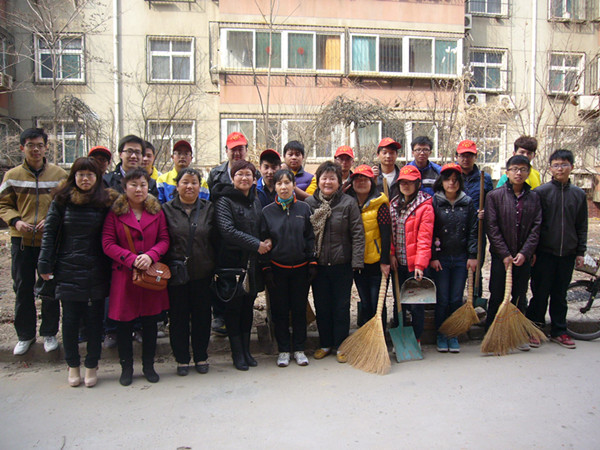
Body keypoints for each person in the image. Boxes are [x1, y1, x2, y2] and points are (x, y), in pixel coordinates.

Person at [38, 157, 112, 387]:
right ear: (74, 177)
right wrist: (44, 263)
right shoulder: (62, 199)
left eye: (90, 175)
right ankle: (73, 365)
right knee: (69, 321)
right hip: (67, 268)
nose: (85, 179)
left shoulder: (106, 200)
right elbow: (50, 232)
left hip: (97, 268)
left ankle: (92, 365)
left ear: (97, 178)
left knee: (94, 321)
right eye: (81, 174)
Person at [0, 128, 67, 356]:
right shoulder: (12, 175)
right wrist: (16, 221)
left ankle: (49, 333)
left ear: (46, 147)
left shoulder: (59, 175)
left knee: (49, 288)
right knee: (22, 288)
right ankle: (25, 335)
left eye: (39, 144)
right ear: (22, 147)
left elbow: (65, 205)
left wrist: (50, 221)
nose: (35, 149)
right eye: (30, 145)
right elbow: (3, 205)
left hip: (49, 242)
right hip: (21, 241)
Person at [102, 168, 170, 385]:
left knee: (150, 323)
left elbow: (164, 239)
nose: (138, 189)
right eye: (133, 185)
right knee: (124, 325)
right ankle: (126, 367)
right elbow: (107, 243)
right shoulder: (115, 213)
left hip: (149, 275)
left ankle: (148, 365)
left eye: (142, 184)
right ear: (124, 187)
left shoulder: (156, 211)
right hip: (125, 276)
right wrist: (130, 258)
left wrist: (151, 255)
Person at [212, 160, 271, 370]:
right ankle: (237, 354)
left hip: (252, 264)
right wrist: (256, 245)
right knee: (233, 309)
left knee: (248, 308)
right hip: (232, 265)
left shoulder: (255, 200)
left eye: (248, 174)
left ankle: (246, 351)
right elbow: (227, 230)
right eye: (240, 174)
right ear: (232, 178)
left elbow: (261, 225)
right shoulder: (224, 201)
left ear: (254, 178)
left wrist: (267, 240)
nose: (244, 178)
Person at [526, 150, 587, 349]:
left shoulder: (578, 195)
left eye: (564, 165)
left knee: (560, 294)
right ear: (550, 168)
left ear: (572, 167)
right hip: (544, 253)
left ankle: (559, 330)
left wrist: (580, 251)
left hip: (567, 253)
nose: (560, 169)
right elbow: (534, 225)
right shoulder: (541, 193)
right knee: (540, 293)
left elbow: (581, 225)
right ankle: (535, 328)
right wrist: (532, 251)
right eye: (556, 165)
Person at [306, 161, 364, 363]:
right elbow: (305, 235)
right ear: (318, 181)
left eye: (332, 178)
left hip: (342, 265)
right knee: (322, 306)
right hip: (319, 266)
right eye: (324, 178)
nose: (328, 182)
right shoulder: (310, 204)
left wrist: (357, 262)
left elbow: (358, 234)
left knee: (341, 306)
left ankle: (341, 345)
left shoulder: (348, 203)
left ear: (339, 182)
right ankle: (325, 343)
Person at [484, 155, 542, 350]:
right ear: (507, 172)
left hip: (523, 257)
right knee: (497, 293)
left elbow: (536, 227)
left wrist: (525, 252)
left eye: (523, 169)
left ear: (528, 172)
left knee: (519, 294)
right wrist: (504, 254)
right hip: (502, 257)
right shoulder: (495, 196)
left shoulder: (534, 197)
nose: (519, 173)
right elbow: (492, 228)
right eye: (515, 169)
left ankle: (517, 334)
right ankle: (492, 334)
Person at [163, 168, 216, 375]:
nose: (189, 186)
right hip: (176, 274)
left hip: (203, 272)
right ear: (177, 186)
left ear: (199, 186)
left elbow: (215, 240)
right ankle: (182, 358)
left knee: (203, 317)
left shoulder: (208, 208)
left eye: (194, 182)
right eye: (185, 182)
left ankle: (201, 356)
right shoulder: (166, 209)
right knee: (178, 317)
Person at [260, 169, 315, 367]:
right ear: (274, 187)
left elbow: (310, 237)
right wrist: (266, 269)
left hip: (300, 268)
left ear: (294, 185)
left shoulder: (304, 209)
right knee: (280, 311)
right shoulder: (267, 212)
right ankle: (283, 349)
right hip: (277, 270)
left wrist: (312, 262)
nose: (283, 187)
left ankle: (299, 348)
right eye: (279, 183)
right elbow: (264, 241)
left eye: (287, 183)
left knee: (299, 309)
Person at [429, 163, 478, 353]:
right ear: (442, 181)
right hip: (440, 258)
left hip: (460, 258)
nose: (452, 183)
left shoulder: (468, 202)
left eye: (455, 180)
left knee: (456, 298)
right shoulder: (434, 202)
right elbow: (429, 231)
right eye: (448, 179)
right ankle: (442, 333)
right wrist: (433, 256)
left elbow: (474, 230)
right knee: (442, 299)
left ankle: (453, 333)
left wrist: (472, 255)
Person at [207, 132, 249, 335]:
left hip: (244, 230)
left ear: (246, 151)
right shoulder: (216, 173)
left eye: (241, 148)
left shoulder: (251, 172)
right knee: (221, 275)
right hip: (220, 230)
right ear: (227, 151)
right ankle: (219, 316)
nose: (237, 152)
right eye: (234, 149)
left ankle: (237, 316)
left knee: (240, 276)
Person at [389, 165, 434, 342]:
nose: (405, 186)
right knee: (399, 301)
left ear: (418, 184)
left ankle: (416, 339)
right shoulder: (393, 205)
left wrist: (420, 265)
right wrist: (391, 254)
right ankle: (399, 337)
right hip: (398, 262)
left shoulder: (424, 206)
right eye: (402, 182)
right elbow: (390, 234)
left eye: (410, 182)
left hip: (415, 265)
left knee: (416, 304)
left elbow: (425, 238)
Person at [346, 164, 391, 327]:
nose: (361, 182)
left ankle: (380, 337)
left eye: (365, 179)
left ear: (372, 181)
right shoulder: (348, 204)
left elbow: (387, 235)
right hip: (358, 263)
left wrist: (385, 261)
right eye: (357, 179)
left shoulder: (380, 204)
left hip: (377, 264)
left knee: (377, 304)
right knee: (365, 303)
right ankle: (366, 336)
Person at [455, 139, 494, 297]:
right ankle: (457, 300)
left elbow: (492, 202)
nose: (466, 159)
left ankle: (475, 298)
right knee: (458, 268)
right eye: (462, 155)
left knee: (476, 266)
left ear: (475, 156)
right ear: (457, 156)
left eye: (470, 155)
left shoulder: (485, 179)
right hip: (455, 230)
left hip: (477, 230)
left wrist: (486, 212)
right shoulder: (452, 177)